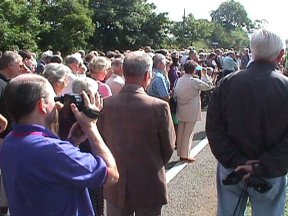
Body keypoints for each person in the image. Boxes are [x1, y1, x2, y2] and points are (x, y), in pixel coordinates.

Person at [0, 73, 119, 216]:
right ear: (42, 105)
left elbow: (48, 169)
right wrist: (91, 127)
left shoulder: (10, 140)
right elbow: (111, 174)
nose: (57, 105)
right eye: (54, 99)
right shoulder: (53, 150)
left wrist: (72, 142)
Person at [206, 29, 288, 216]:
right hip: (270, 172)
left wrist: (238, 161)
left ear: (251, 51)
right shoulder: (285, 87)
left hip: (232, 168)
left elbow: (214, 129)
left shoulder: (227, 83)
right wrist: (261, 166)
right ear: (281, 55)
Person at [97, 51, 175, 216]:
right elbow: (168, 147)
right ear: (147, 75)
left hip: (115, 183)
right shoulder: (159, 106)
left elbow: (100, 141)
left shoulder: (106, 105)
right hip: (149, 180)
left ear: (123, 73)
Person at [174, 60, 213, 162]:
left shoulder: (179, 80)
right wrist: (205, 75)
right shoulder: (193, 81)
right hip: (191, 109)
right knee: (188, 133)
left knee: (181, 131)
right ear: (194, 70)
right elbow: (209, 86)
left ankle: (180, 152)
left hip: (181, 107)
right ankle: (185, 154)